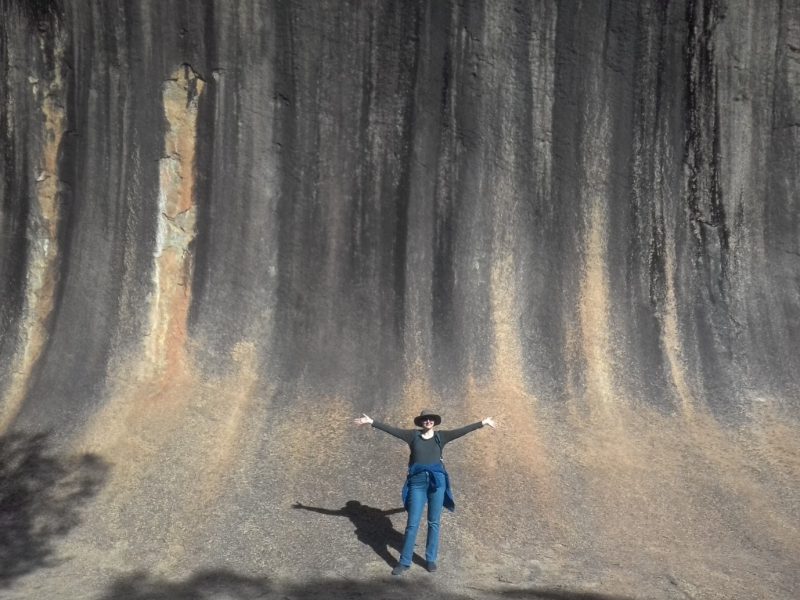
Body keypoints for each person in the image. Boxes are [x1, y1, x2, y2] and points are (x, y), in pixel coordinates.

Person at [354, 409, 497, 575]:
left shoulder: (440, 437)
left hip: (437, 482)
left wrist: (482, 423)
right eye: (425, 419)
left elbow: (461, 431)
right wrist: (371, 422)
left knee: (433, 522)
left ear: (434, 422)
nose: (428, 421)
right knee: (412, 523)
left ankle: (430, 559)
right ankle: (405, 562)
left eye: (430, 419)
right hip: (417, 483)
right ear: (421, 422)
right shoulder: (412, 436)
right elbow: (393, 431)